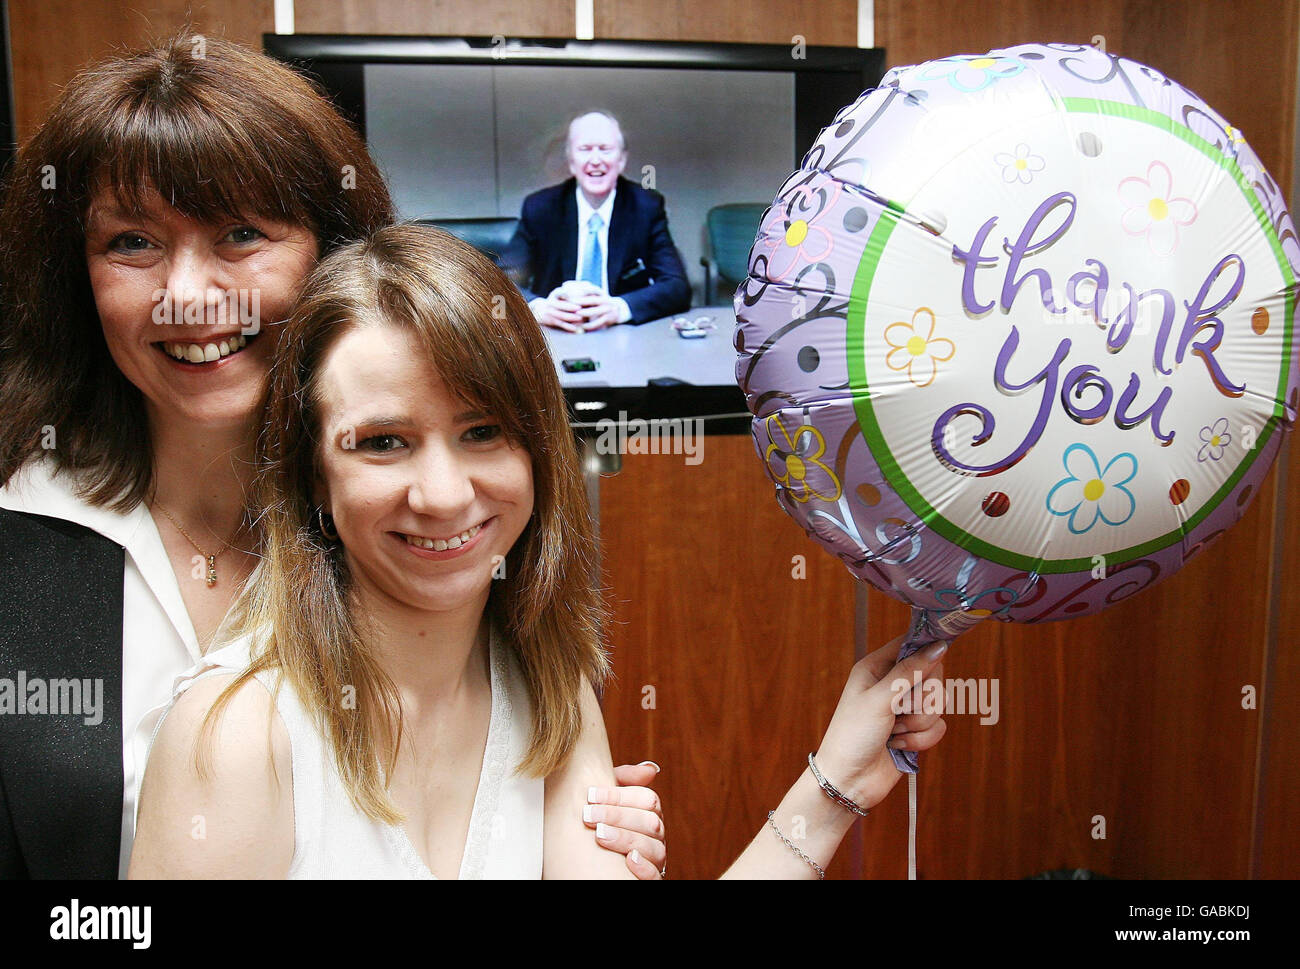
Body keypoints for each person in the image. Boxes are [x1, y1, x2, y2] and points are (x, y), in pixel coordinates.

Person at [0, 34, 663, 880]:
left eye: (242, 233)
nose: (193, 296)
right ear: (76, 276)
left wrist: (572, 830)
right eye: (132, 243)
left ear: (334, 250)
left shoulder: (440, 534)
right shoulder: (23, 526)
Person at [130, 224, 950, 879]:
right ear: (314, 473)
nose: (445, 493)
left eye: (482, 431)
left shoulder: (547, 687)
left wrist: (836, 783)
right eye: (383, 442)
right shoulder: (236, 739)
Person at [509, 111, 691, 332]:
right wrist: (537, 307)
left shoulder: (645, 207)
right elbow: (502, 278)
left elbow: (677, 286)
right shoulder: (541, 208)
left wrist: (619, 308)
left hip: (621, 335)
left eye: (605, 149)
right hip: (556, 335)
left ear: (622, 160)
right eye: (585, 150)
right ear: (571, 161)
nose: (596, 161)